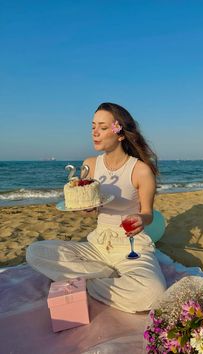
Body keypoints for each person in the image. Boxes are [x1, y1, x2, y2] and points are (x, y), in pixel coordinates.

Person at [26, 102, 166, 313]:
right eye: (93, 127)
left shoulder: (140, 170)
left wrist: (140, 219)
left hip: (130, 247)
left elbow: (148, 214)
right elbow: (87, 203)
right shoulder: (89, 164)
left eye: (102, 127)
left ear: (120, 133)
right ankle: (104, 274)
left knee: (152, 293)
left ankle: (90, 282)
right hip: (97, 244)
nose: (95, 133)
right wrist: (87, 209)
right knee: (35, 252)